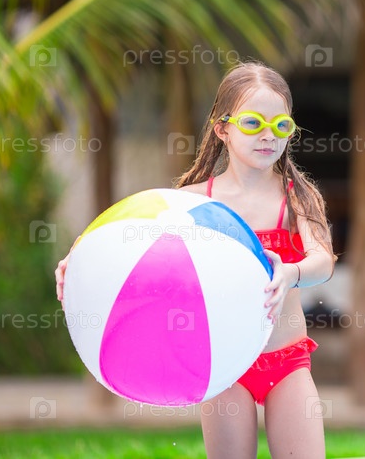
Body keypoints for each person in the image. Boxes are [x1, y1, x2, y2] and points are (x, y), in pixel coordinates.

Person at [55, 61, 336, 459]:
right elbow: (124, 234)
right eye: (253, 123)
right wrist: (76, 261)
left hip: (287, 362)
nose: (268, 135)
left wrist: (291, 272)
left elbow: (323, 261)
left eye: (281, 125)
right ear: (223, 129)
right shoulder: (193, 202)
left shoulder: (296, 198)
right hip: (223, 365)